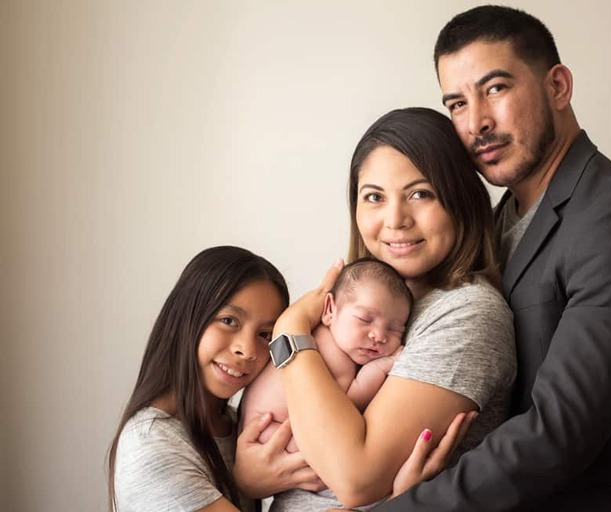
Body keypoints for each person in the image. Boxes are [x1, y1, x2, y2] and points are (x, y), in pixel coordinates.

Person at [373, 5, 611, 511]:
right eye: (456, 103)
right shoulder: (492, 223)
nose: (476, 122)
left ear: (559, 87)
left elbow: (556, 433)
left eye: (495, 88)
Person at [236, 107, 517, 511]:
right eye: (374, 197)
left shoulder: (467, 314)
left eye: (421, 193)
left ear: (461, 198)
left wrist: (290, 327)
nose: (396, 219)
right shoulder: (358, 299)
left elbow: (356, 478)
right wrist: (244, 479)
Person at [106, 246, 324, 512]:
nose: (246, 350)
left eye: (265, 334)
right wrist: (247, 483)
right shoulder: (151, 444)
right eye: (229, 320)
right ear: (186, 317)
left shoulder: (236, 426)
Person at [239, 258, 412, 453]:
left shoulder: (318, 334)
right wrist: (382, 365)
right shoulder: (329, 350)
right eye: (365, 319)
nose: (379, 336)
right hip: (271, 432)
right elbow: (347, 405)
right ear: (330, 310)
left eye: (394, 329)